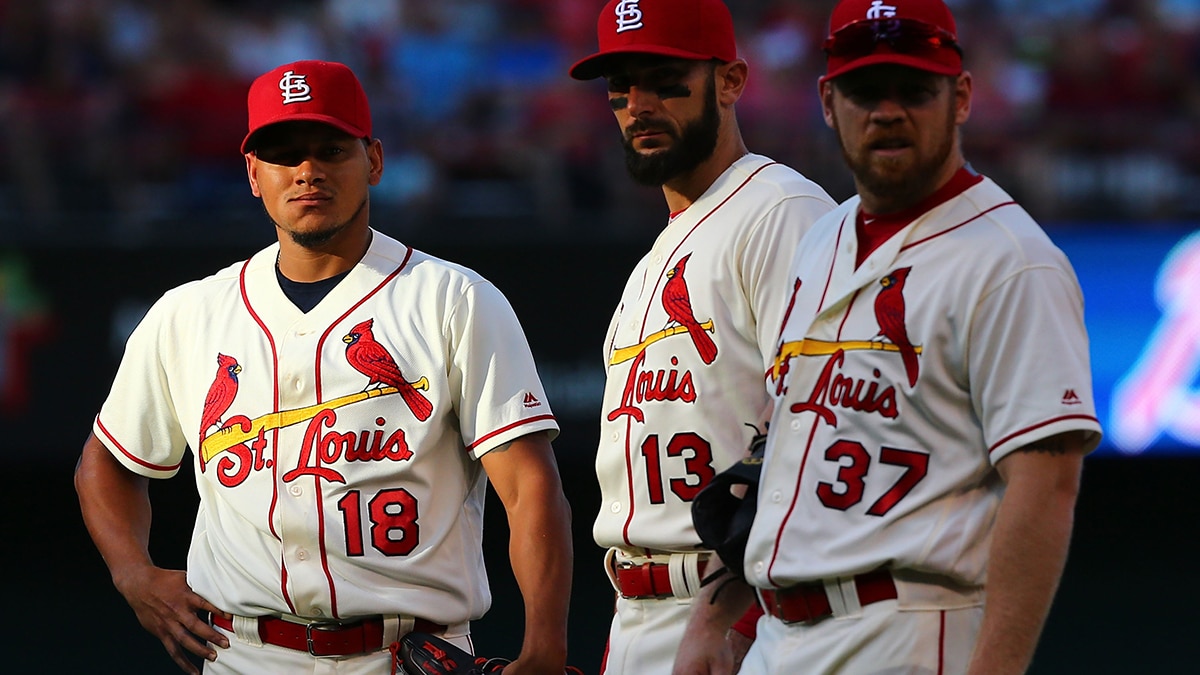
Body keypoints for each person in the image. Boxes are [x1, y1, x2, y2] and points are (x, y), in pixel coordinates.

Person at [74, 59, 573, 675]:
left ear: (374, 161)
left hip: (407, 655)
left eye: (331, 149)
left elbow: (528, 487)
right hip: (243, 655)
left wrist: (546, 647)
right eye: (284, 154)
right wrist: (134, 574)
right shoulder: (190, 312)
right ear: (254, 174)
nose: (308, 170)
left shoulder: (453, 297)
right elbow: (106, 463)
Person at [672, 0, 1104, 673]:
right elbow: (782, 454)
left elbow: (1045, 487)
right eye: (866, 91)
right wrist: (720, 612)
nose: (888, 110)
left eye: (915, 90)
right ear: (827, 100)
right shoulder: (820, 239)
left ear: (960, 97)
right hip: (780, 635)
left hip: (906, 625)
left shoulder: (1012, 260)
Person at [567, 1, 837, 672]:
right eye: (621, 88)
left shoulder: (780, 209)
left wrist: (730, 617)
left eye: (665, 79)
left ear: (731, 81)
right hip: (639, 607)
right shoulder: (656, 257)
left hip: (736, 609)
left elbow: (815, 424)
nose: (640, 103)